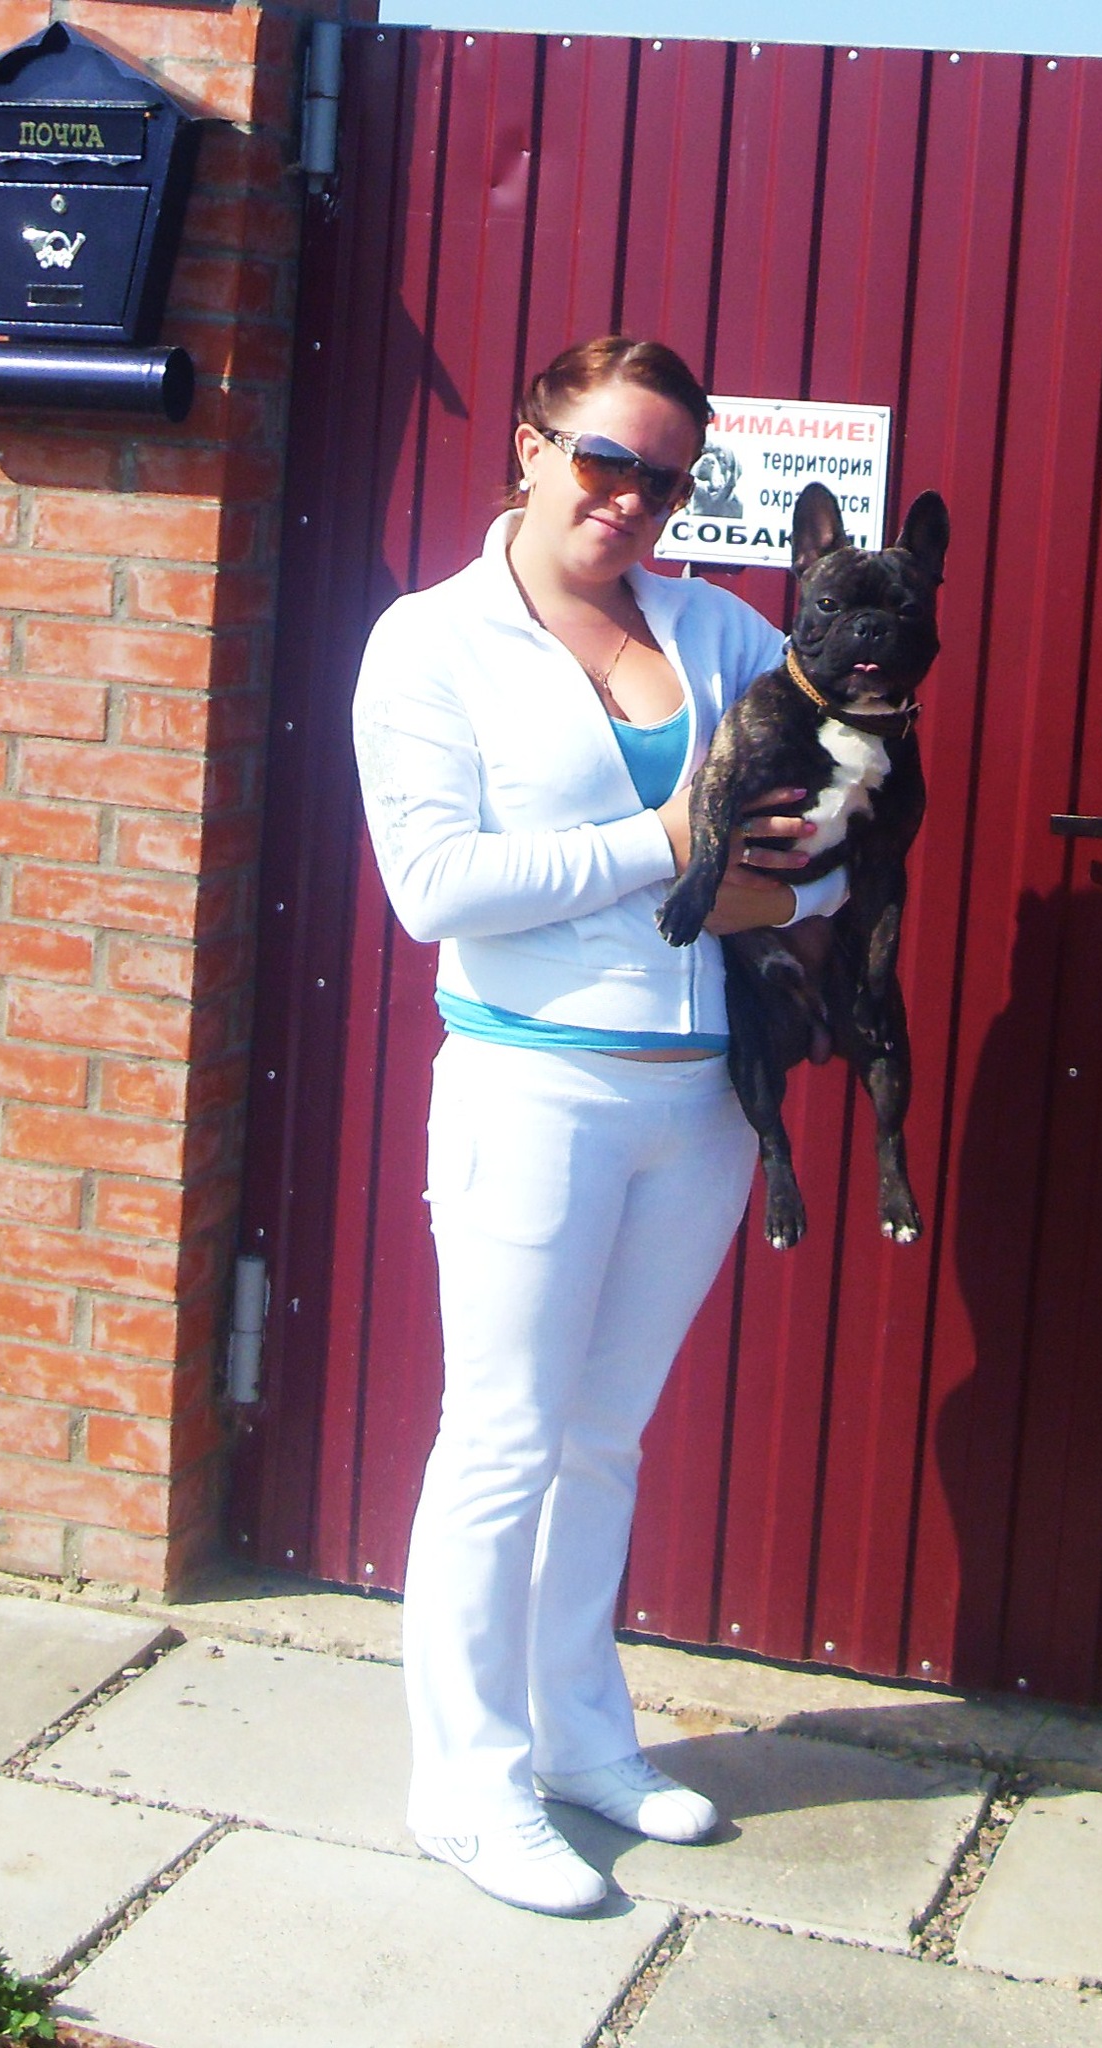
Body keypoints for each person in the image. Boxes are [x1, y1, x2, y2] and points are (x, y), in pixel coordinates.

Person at [352, 336, 845, 1916]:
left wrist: (776, 892)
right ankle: (467, 1785)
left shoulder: (722, 632)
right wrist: (669, 841)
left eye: (667, 479)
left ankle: (579, 1739)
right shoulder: (431, 642)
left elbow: (826, 846)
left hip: (699, 1101)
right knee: (500, 1440)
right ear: (531, 443)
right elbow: (437, 887)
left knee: (603, 1441)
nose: (631, 499)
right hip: (530, 1088)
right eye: (605, 459)